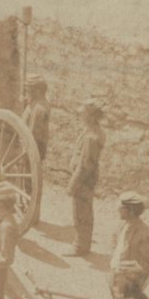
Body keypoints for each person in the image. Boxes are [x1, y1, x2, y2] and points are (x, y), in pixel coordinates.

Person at [65, 99, 106, 257]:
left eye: (83, 113)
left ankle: (80, 247)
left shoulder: (91, 137)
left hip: (84, 180)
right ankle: (82, 243)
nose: (80, 115)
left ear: (90, 116)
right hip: (87, 178)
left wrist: (73, 184)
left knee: (81, 213)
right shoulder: (92, 131)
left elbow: (85, 165)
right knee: (84, 211)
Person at [21, 75, 50, 223]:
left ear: (37, 90)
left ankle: (31, 213)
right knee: (30, 179)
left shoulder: (39, 108)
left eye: (29, 89)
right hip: (35, 145)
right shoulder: (38, 103)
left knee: (30, 180)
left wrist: (25, 151)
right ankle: (29, 210)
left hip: (34, 146)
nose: (27, 92)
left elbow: (32, 132)